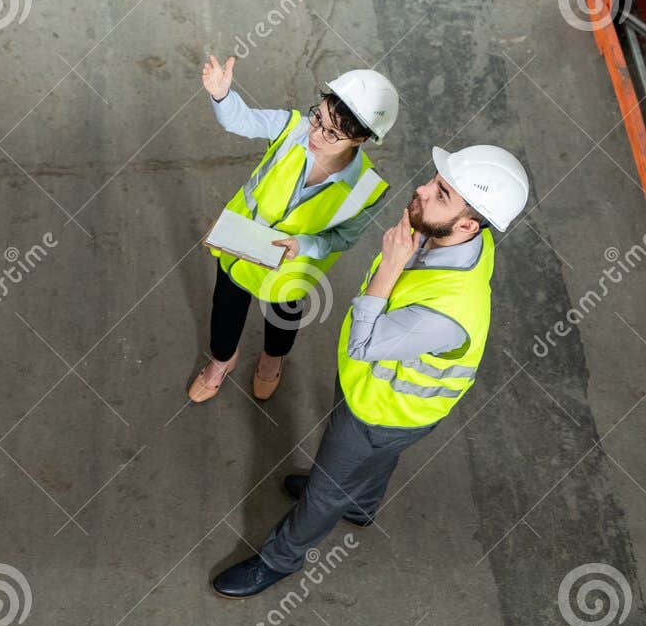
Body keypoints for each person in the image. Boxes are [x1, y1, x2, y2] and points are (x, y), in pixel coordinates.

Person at [211, 144, 530, 598]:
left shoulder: (449, 311)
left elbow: (364, 345)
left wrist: (393, 264)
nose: (421, 189)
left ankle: (279, 560)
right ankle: (360, 504)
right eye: (435, 180)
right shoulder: (458, 237)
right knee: (364, 466)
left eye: (440, 192)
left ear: (467, 223)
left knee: (324, 493)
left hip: (383, 411)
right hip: (376, 391)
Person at [190, 58, 398, 403]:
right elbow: (244, 120)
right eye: (320, 117)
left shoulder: (367, 189)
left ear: (361, 138)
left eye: (332, 132)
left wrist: (303, 245)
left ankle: (272, 360)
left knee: (283, 319)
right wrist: (223, 96)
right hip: (238, 245)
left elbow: (343, 238)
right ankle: (221, 361)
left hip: (292, 266)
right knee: (226, 307)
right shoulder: (294, 128)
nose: (315, 134)